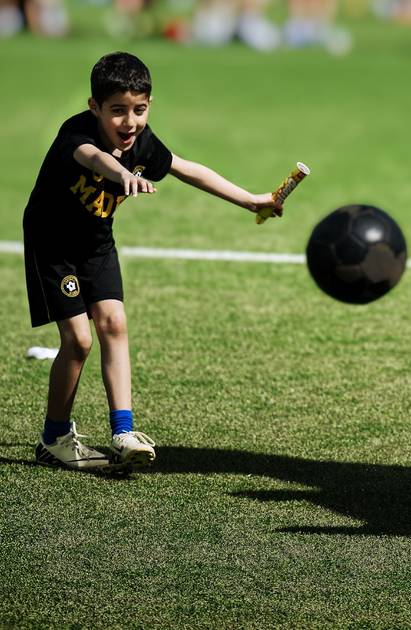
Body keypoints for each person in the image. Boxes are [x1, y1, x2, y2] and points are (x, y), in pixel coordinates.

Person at [23, 52, 281, 470]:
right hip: (53, 245)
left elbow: (187, 169)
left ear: (149, 105)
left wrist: (251, 200)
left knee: (115, 324)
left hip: (96, 243)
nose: (130, 123)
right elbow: (92, 157)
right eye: (118, 111)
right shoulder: (77, 132)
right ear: (95, 108)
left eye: (139, 110)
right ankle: (54, 438)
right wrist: (120, 173)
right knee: (79, 341)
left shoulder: (142, 142)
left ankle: (123, 433)